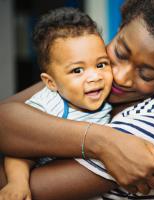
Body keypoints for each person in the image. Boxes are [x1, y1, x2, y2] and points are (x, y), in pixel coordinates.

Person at [0, 0, 154, 199]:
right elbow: (5, 116)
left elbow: (28, 191)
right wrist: (102, 141)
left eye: (146, 74)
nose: (120, 77)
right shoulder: (92, 76)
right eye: (120, 54)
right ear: (119, 30)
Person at [0, 7, 114, 200]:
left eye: (101, 64)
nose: (95, 77)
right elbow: (20, 149)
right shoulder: (47, 104)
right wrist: (17, 182)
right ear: (51, 82)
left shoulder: (112, 98)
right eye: (77, 70)